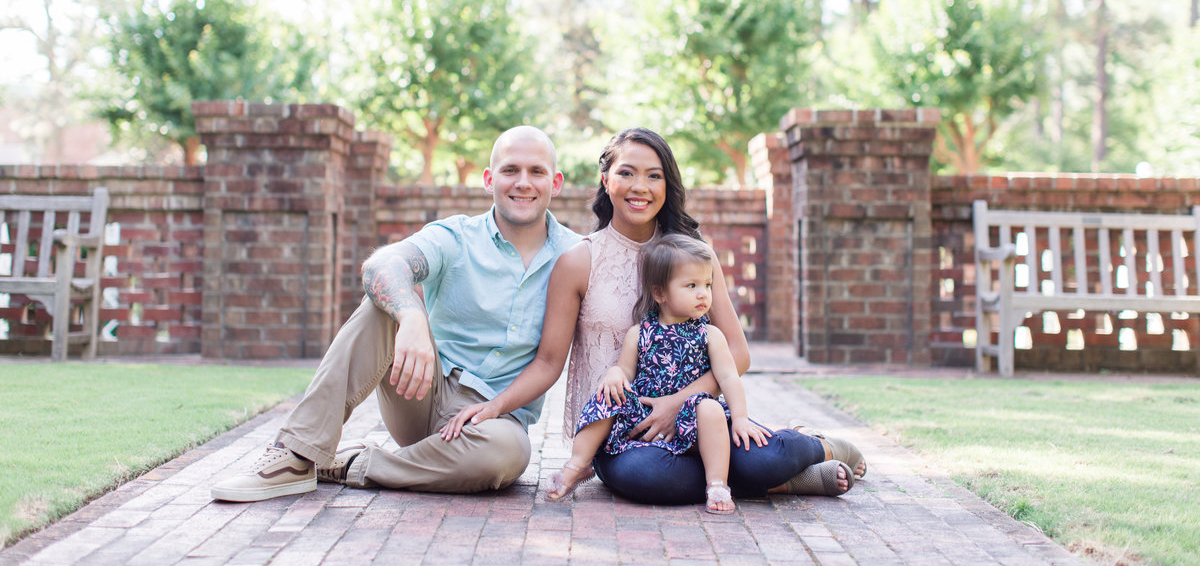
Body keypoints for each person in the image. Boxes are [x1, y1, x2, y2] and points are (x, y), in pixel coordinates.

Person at [442, 127, 863, 504]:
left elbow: (738, 354)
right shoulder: (578, 261)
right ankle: (784, 480)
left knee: (762, 455)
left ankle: (817, 447)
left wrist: (676, 403)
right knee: (650, 479)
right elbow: (549, 362)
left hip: (699, 420)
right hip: (622, 437)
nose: (639, 186)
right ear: (606, 181)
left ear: (667, 184)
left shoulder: (694, 256)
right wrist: (493, 407)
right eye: (626, 173)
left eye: (654, 175)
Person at [210, 125, 580, 502]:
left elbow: (551, 360)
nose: (523, 183)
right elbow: (382, 264)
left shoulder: (575, 255)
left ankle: (356, 464)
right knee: (383, 306)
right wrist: (412, 318)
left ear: (556, 182)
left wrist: (495, 408)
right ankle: (296, 455)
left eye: (536, 172)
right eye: (510, 170)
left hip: (495, 422)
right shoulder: (455, 237)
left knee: (508, 455)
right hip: (421, 393)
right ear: (489, 179)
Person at [546, 235, 772, 513]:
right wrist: (615, 375)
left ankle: (717, 484)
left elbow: (728, 378)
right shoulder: (639, 334)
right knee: (608, 393)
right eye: (692, 286)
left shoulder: (709, 335)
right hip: (646, 417)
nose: (703, 294)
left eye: (707, 285)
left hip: (692, 418)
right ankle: (577, 465)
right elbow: (626, 370)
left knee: (711, 408)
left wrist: (740, 419)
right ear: (660, 293)